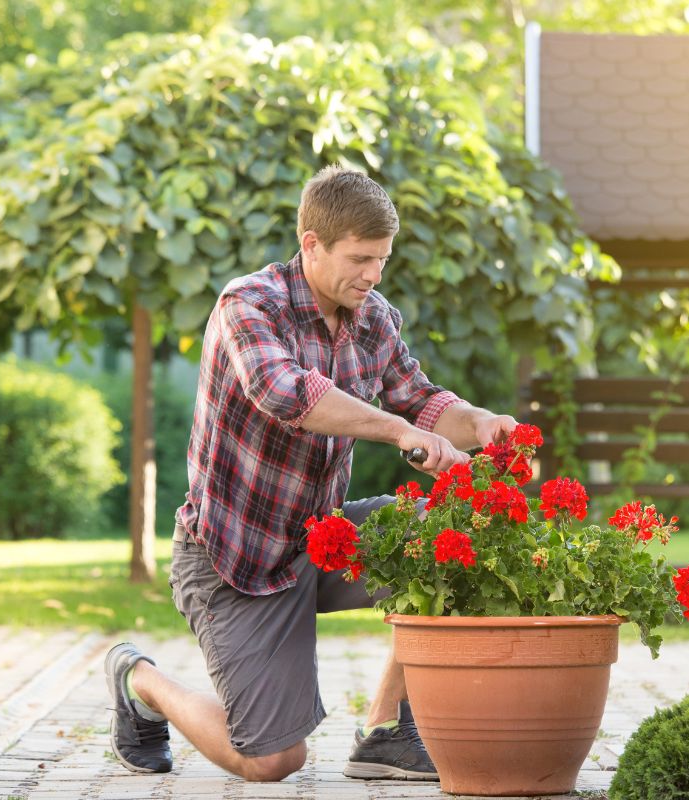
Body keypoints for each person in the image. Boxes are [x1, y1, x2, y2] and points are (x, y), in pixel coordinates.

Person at [105, 165, 518, 782]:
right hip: (233, 560)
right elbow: (287, 394)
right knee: (270, 759)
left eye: (382, 259)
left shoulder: (373, 317)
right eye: (360, 258)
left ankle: (384, 730)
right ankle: (138, 681)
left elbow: (423, 400)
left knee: (457, 537)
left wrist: (480, 422)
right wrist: (399, 431)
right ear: (311, 245)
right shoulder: (248, 306)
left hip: (319, 543)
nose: (373, 275)